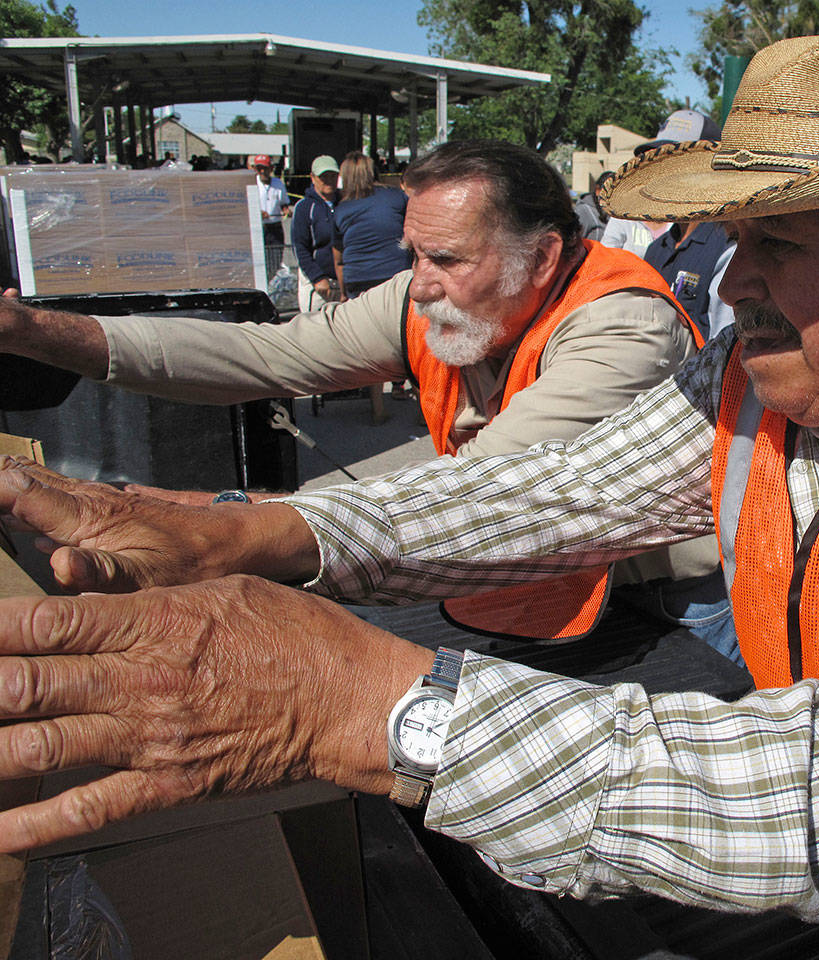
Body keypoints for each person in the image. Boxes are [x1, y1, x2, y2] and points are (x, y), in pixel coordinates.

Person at [0, 28, 819, 959]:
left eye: (773, 238)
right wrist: (265, 529)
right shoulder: (759, 372)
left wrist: (378, 707)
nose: (732, 279)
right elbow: (548, 497)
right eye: (730, 238)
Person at [0, 138, 731, 655]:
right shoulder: (430, 296)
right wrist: (39, 332)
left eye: (445, 258)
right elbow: (271, 352)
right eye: (414, 253)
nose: (419, 284)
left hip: (663, 607)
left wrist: (209, 523)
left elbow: (469, 496)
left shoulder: (624, 324)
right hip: (532, 583)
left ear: (541, 257)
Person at [633, 110, 736, 340]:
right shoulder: (657, 249)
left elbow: (725, 345)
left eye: (675, 163)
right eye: (658, 163)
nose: (661, 174)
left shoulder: (726, 250)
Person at [331, 152, 412, 301]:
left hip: (357, 281)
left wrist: (343, 294)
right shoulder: (397, 197)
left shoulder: (341, 210)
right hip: (396, 276)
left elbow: (338, 260)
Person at [292, 155, 341, 312]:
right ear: (312, 178)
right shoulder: (304, 208)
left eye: (332, 176)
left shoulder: (347, 203)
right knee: (313, 332)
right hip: (317, 286)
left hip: (343, 284)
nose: (328, 180)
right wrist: (317, 278)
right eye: (323, 176)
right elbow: (299, 248)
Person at [252, 154, 291, 276]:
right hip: (259, 228)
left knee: (275, 260)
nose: (262, 171)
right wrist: (258, 213)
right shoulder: (253, 184)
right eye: (259, 168)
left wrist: (286, 210)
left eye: (265, 168)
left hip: (275, 227)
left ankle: (272, 283)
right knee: (259, 262)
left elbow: (284, 203)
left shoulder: (278, 183)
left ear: (271, 168)